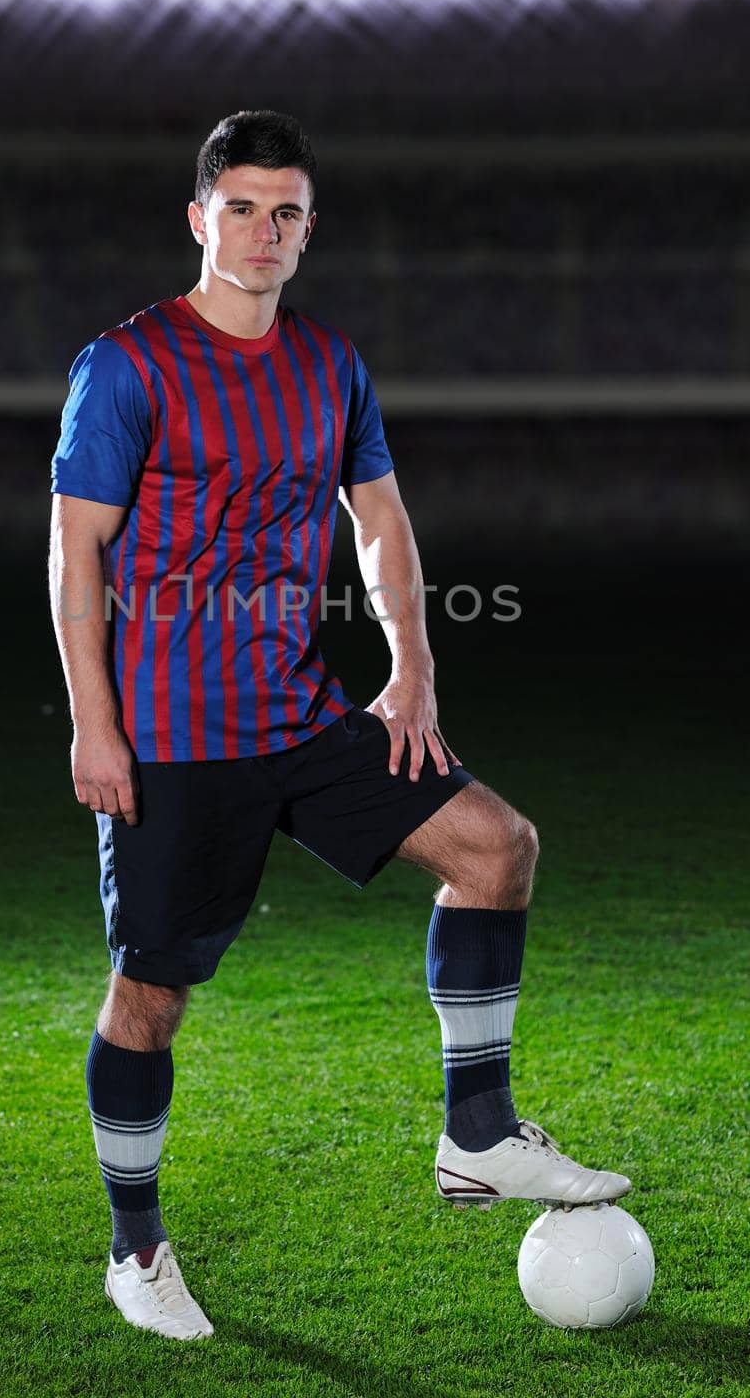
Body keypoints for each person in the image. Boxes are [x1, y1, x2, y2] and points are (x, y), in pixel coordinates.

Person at [48, 109, 630, 1342]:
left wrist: (410, 671)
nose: (265, 232)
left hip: (304, 718)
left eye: (288, 212)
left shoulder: (330, 363)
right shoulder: (129, 364)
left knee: (495, 848)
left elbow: (380, 520)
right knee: (151, 994)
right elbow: (76, 551)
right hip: (170, 740)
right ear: (201, 218)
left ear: (310, 230)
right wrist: (94, 727)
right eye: (243, 207)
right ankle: (135, 1245)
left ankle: (477, 1135)